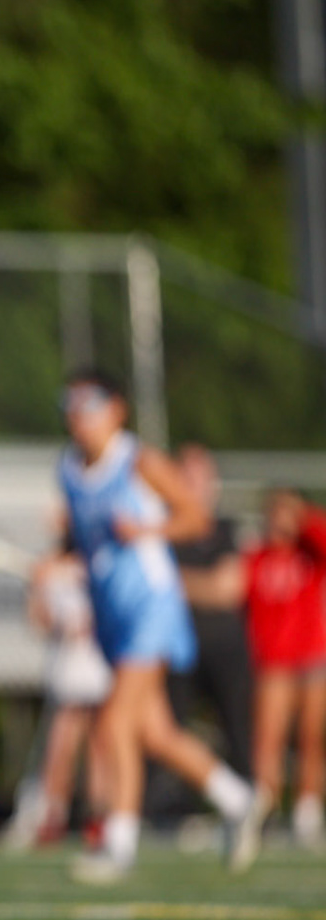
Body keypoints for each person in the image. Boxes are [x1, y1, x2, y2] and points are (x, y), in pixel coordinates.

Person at [55, 372, 257, 882]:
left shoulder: (138, 461)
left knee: (114, 723)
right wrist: (55, 564)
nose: (79, 415)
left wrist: (147, 528)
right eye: (71, 404)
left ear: (116, 409)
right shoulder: (68, 471)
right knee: (156, 733)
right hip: (112, 616)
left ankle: (118, 847)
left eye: (90, 403)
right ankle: (239, 800)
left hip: (152, 605)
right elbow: (82, 545)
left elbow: (195, 518)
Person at [3, 543, 111, 850]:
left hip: (100, 664)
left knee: (100, 748)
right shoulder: (49, 569)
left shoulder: (101, 560)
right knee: (60, 748)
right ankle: (51, 816)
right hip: (69, 669)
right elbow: (41, 622)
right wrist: (38, 588)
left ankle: (100, 821)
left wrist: (92, 624)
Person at [240, 488, 326, 853]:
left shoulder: (310, 552)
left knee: (310, 737)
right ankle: (266, 809)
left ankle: (307, 811)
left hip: (311, 656)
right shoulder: (256, 557)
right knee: (269, 739)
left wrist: (303, 517)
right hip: (274, 661)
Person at [169, 444, 254, 787]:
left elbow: (228, 588)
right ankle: (167, 805)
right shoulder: (164, 530)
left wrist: (178, 582)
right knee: (168, 730)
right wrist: (202, 584)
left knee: (238, 727)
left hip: (223, 648)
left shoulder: (225, 529)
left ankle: (248, 796)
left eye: (200, 478)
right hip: (176, 647)